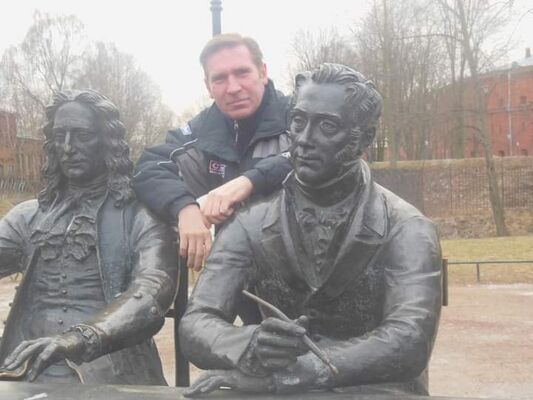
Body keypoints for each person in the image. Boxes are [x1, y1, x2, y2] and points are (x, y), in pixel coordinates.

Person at [180, 63, 442, 396]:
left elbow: (410, 339)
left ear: (365, 138)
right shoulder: (248, 224)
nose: (304, 140)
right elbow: (196, 322)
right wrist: (248, 343)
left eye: (327, 126)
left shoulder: (407, 228)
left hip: (377, 391)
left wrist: (311, 368)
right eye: (298, 121)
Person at [0, 90, 177, 385]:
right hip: (24, 367)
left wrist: (80, 338)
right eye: (60, 136)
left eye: (82, 136)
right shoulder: (28, 216)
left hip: (110, 369)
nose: (68, 148)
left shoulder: (141, 215)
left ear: (107, 141)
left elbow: (151, 291)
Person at [132, 33, 292, 271]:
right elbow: (149, 167)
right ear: (208, 86)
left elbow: (323, 153)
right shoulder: (201, 130)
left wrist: (249, 181)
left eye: (242, 72)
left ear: (263, 72)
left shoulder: (298, 116)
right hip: (235, 271)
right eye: (219, 78)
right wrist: (184, 208)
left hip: (306, 268)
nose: (233, 88)